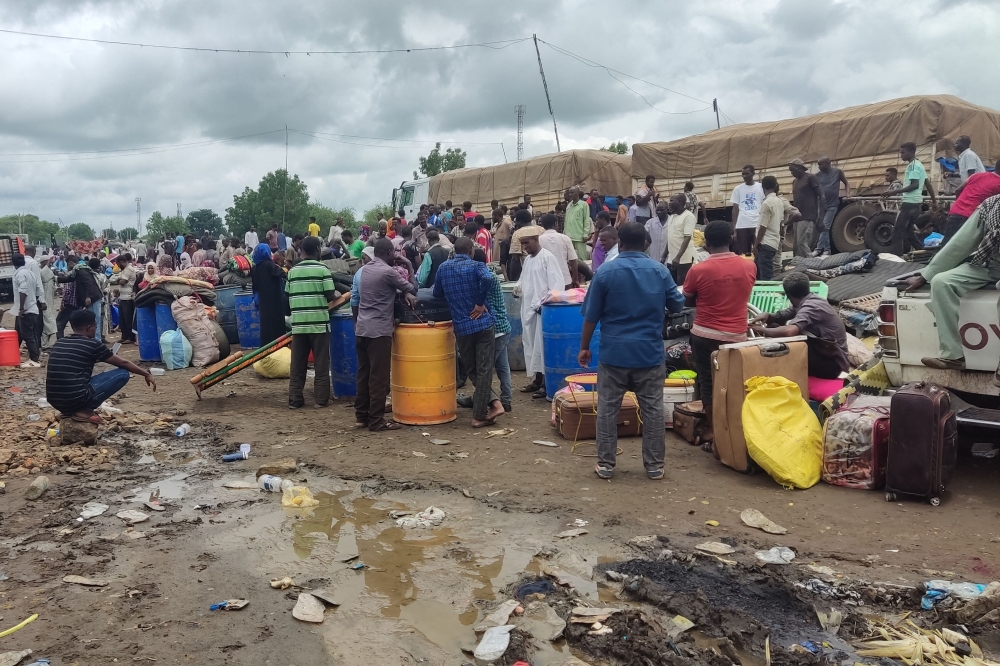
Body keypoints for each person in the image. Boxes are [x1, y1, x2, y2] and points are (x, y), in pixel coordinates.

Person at [580, 221, 685, 480]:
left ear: (620, 242)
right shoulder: (659, 271)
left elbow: (590, 317)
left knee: (607, 410)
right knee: (652, 410)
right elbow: (677, 304)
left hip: (614, 353)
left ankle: (606, 464)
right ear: (647, 243)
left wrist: (584, 348)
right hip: (648, 354)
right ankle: (654, 466)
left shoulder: (605, 272)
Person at [901, 194, 1000, 382]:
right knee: (941, 282)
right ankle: (953, 355)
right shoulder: (991, 205)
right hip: (990, 264)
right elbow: (960, 243)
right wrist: (925, 275)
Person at [683, 221, 757, 450]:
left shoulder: (698, 269)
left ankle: (716, 436)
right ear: (732, 239)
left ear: (706, 242)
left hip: (705, 335)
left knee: (708, 384)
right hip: (737, 336)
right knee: (734, 385)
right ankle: (736, 432)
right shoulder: (749, 266)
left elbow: (688, 299)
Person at [434, 238, 506, 427]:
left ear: (454, 250)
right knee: (483, 370)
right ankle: (487, 410)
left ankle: (485, 411)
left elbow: (436, 293)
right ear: (471, 251)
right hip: (483, 324)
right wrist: (480, 303)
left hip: (463, 328)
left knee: (472, 369)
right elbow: (489, 278)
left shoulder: (443, 268)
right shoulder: (477, 266)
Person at [45, 309, 156, 423]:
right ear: (89, 328)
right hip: (76, 399)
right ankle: (84, 410)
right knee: (123, 373)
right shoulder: (93, 344)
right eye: (95, 328)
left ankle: (72, 410)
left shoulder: (60, 342)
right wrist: (146, 374)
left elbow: (78, 359)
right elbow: (124, 363)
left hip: (55, 400)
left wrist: (102, 355)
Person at [750, 272, 850, 399]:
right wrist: (768, 316)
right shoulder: (806, 301)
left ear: (788, 295)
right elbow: (782, 316)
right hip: (827, 357)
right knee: (775, 328)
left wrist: (760, 330)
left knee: (783, 339)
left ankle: (776, 375)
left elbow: (789, 331)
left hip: (834, 365)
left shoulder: (812, 306)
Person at [354, 238, 417, 430]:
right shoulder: (388, 272)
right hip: (379, 332)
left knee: (364, 373)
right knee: (379, 377)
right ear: (389, 252)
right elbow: (413, 288)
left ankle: (361, 416)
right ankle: (376, 420)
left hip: (362, 328)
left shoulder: (364, 271)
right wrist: (407, 264)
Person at [285, 236, 336, 409]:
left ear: (302, 251)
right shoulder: (323, 269)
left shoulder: (292, 272)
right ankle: (321, 400)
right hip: (319, 324)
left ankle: (295, 400)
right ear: (317, 249)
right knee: (321, 363)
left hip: (298, 324)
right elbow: (330, 294)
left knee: (298, 364)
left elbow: (287, 295)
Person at [515, 227, 566, 398]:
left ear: (536, 240)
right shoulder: (528, 260)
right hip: (528, 309)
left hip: (541, 310)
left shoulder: (548, 258)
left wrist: (542, 303)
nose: (525, 247)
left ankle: (546, 384)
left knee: (542, 348)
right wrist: (518, 287)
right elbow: (523, 279)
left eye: (527, 243)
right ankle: (537, 380)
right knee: (531, 346)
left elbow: (556, 286)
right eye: (522, 244)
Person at [881, 142, 936, 254]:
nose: (901, 155)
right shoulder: (919, 165)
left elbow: (914, 185)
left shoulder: (913, 166)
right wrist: (934, 201)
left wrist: (893, 192)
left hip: (909, 204)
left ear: (911, 152)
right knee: (908, 230)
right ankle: (923, 252)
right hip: (917, 205)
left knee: (897, 232)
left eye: (903, 152)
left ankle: (898, 260)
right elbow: (928, 184)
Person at [942, 160, 1000, 243]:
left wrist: (959, 204)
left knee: (946, 245)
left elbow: (958, 190)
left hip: (955, 212)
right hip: (971, 218)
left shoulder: (976, 175)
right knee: (965, 249)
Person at [251, 243, 287, 346]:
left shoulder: (255, 268)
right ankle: (280, 347)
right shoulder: (269, 264)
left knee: (266, 326)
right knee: (277, 325)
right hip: (275, 301)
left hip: (263, 302)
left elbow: (255, 285)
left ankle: (266, 349)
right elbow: (283, 274)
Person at [788, 158, 826, 257]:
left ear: (800, 168)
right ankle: (798, 264)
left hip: (808, 216)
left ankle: (810, 262)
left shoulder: (810, 178)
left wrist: (820, 217)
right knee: (796, 245)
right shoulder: (795, 181)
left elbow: (821, 196)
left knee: (802, 243)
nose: (791, 173)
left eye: (793, 170)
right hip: (797, 217)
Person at [12, 254, 42, 368]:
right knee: (31, 334)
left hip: (26, 310)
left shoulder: (19, 274)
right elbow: (38, 289)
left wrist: (21, 308)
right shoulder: (31, 273)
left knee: (28, 335)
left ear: (13, 263)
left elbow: (23, 290)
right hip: (33, 308)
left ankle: (34, 359)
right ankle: (34, 357)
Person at [814, 157, 849, 256]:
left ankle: (821, 249)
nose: (819, 167)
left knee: (825, 226)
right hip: (821, 205)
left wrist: (847, 194)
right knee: (820, 227)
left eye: (821, 164)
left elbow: (846, 183)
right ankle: (825, 249)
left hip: (832, 205)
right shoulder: (817, 176)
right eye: (818, 164)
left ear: (828, 163)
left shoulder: (837, 172)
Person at [755, 176, 787, 281]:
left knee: (765, 276)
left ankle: (766, 295)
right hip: (774, 242)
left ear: (762, 187)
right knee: (759, 271)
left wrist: (756, 244)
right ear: (775, 186)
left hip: (765, 243)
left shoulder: (766, 203)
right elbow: (781, 223)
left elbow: (763, 226)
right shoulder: (779, 202)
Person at [538, 213, 579, 288]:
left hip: (546, 282)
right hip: (565, 280)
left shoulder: (538, 240)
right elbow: (573, 261)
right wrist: (575, 278)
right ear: (555, 224)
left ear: (543, 226)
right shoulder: (565, 238)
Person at [731, 165, 765, 255]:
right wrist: (734, 229)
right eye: (743, 174)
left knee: (759, 251)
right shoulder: (738, 189)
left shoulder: (761, 187)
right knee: (743, 253)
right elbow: (735, 210)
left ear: (753, 173)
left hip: (757, 224)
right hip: (742, 225)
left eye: (747, 174)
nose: (744, 176)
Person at [666, 193, 697, 284]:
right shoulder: (672, 216)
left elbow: (687, 238)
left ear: (679, 202)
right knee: (671, 285)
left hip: (683, 259)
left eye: (672, 201)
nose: (669, 203)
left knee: (681, 286)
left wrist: (678, 257)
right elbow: (670, 237)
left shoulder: (688, 216)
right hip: (671, 259)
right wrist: (664, 256)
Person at [112, 254, 137, 344]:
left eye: (118, 264)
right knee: (122, 319)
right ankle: (124, 336)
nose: (118, 266)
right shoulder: (124, 269)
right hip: (123, 297)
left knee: (128, 319)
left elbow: (123, 281)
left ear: (122, 262)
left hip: (128, 298)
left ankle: (130, 337)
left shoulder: (128, 269)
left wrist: (118, 280)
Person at [564, 187, 592, 260]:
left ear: (578, 193)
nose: (570, 194)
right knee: (570, 259)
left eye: (572, 192)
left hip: (579, 237)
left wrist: (585, 234)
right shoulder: (569, 206)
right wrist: (564, 234)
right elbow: (566, 221)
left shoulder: (584, 205)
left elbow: (586, 220)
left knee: (582, 259)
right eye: (569, 193)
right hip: (569, 237)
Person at [39, 254, 58, 349]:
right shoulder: (43, 272)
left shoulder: (47, 271)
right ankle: (43, 344)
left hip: (49, 302)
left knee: (48, 324)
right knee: (49, 323)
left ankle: (44, 344)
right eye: (49, 261)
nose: (51, 263)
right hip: (45, 302)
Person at [645, 200, 670, 268]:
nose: (659, 212)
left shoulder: (672, 222)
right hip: (653, 258)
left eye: (662, 210)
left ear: (668, 210)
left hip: (668, 260)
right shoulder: (650, 222)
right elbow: (644, 237)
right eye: (657, 210)